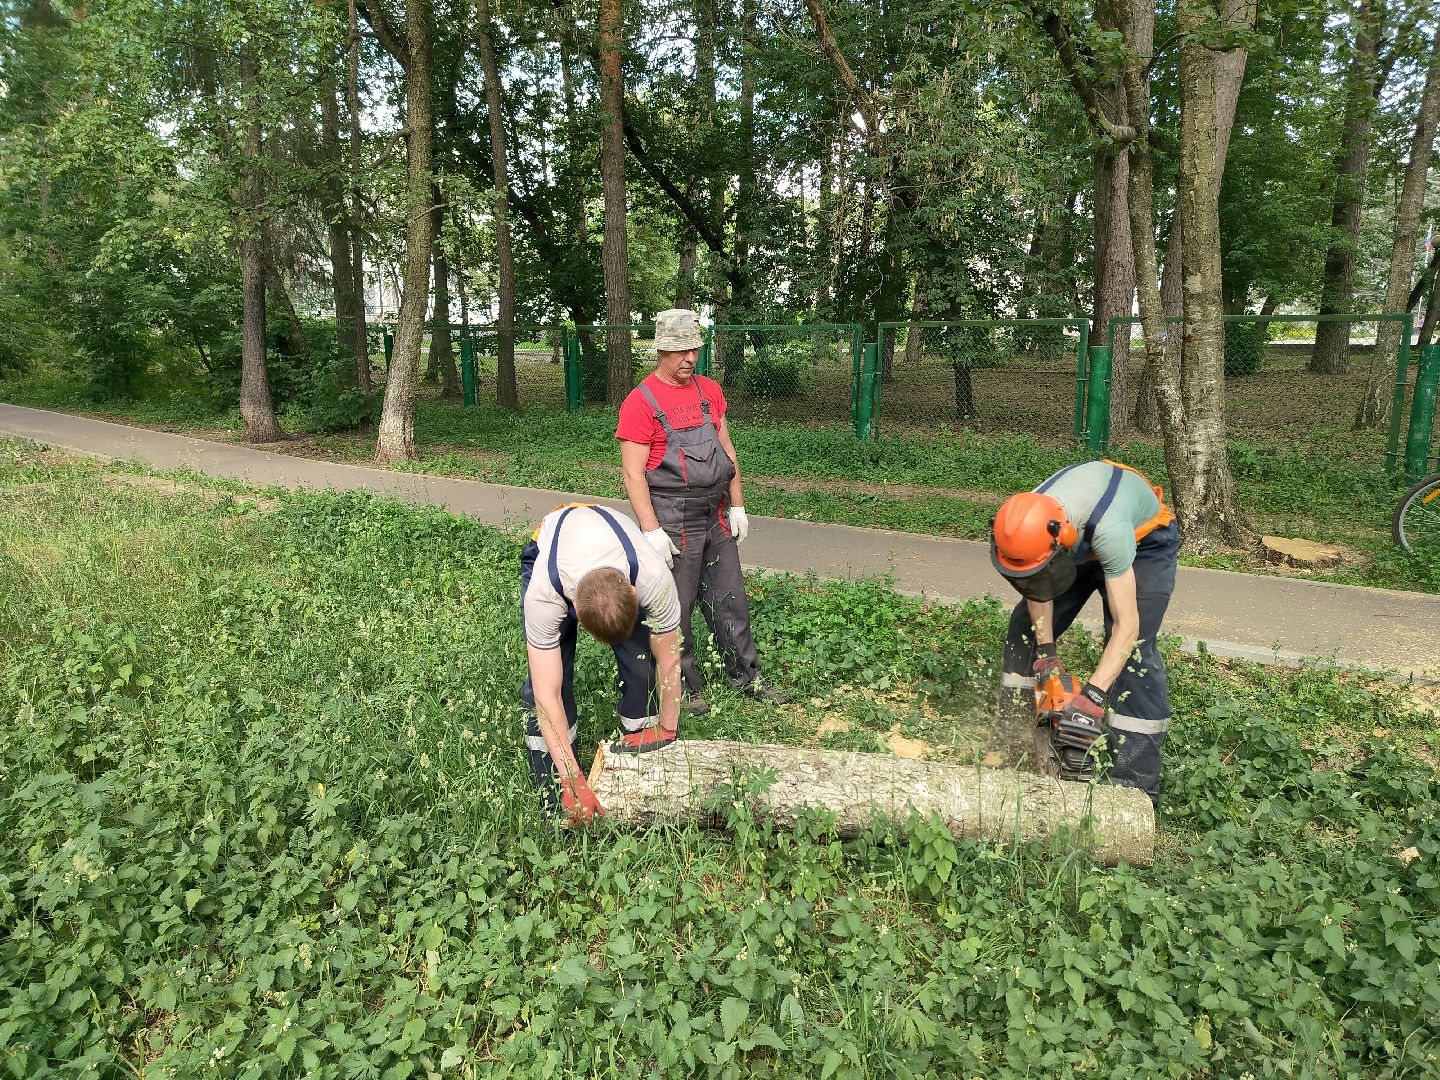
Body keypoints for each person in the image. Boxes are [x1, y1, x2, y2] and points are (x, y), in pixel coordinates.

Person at [616, 308, 786, 714]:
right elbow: (633, 474)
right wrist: (651, 530)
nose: (689, 358)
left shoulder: (709, 391)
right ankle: (683, 687)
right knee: (676, 607)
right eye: (680, 351)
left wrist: (738, 505)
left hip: (716, 515)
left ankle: (746, 675)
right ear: (661, 349)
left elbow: (727, 450)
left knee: (731, 598)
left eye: (694, 349)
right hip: (673, 519)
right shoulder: (640, 403)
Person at [989, 459, 1179, 804]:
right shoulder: (1027, 519)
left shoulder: (1110, 529)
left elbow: (1127, 625)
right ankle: (1012, 742)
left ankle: (1135, 789)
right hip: (1075, 544)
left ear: (1060, 539)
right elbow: (1036, 583)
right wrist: (1046, 654)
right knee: (1023, 629)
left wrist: (1092, 697)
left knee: (1134, 653)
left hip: (1143, 542)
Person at [521, 502, 684, 823]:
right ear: (574, 613)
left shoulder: (654, 577)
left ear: (635, 594)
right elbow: (545, 694)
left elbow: (669, 659)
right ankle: (555, 794)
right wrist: (571, 779)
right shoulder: (544, 596)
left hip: (616, 544)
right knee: (552, 683)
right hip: (547, 545)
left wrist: (668, 727)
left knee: (642, 662)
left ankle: (639, 768)